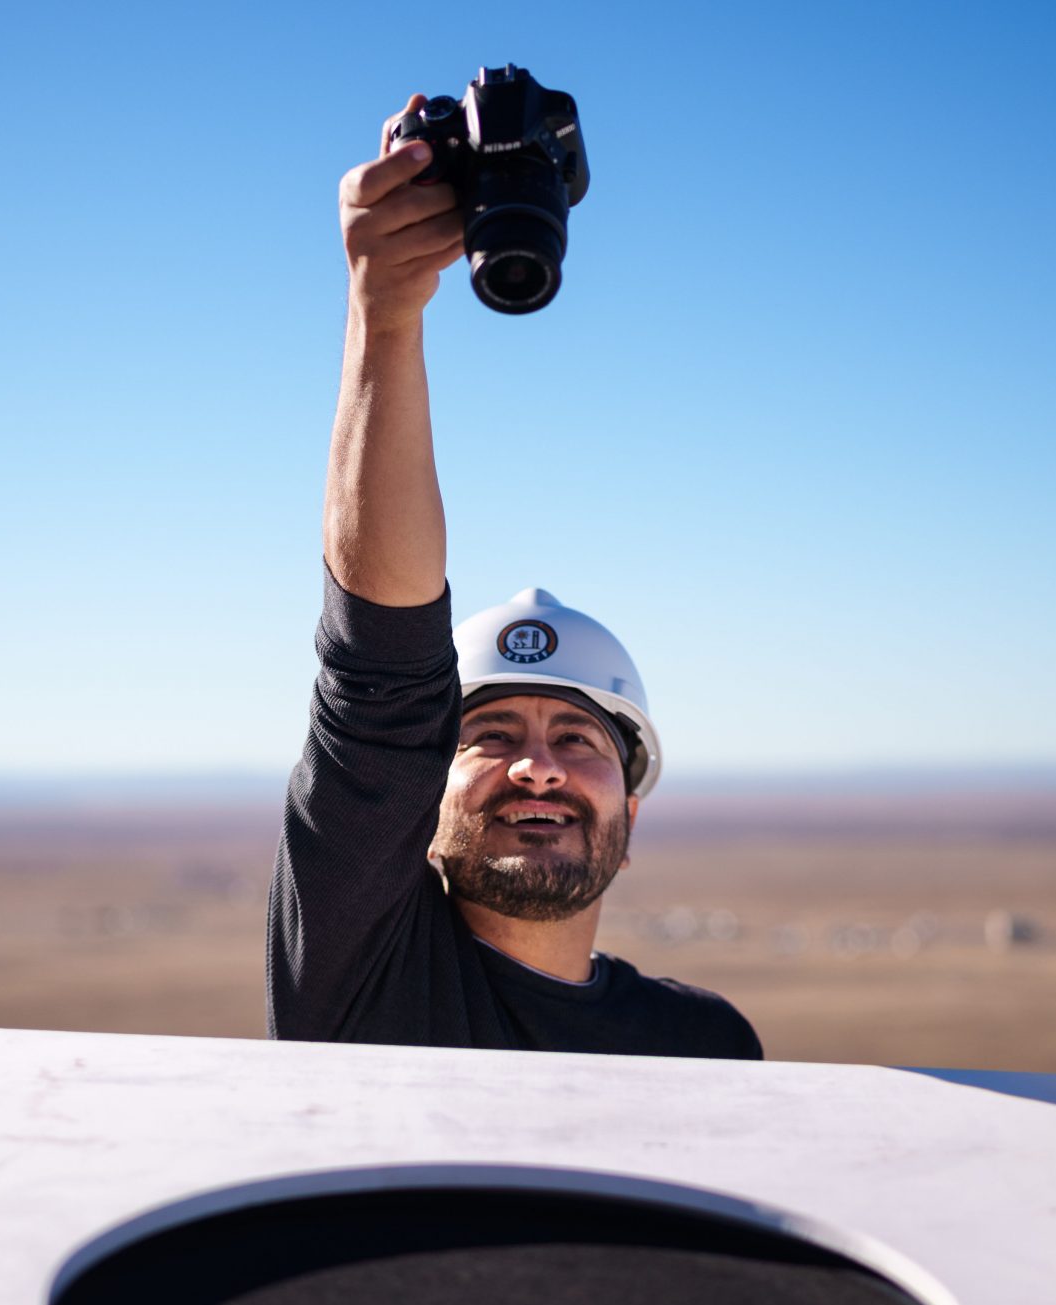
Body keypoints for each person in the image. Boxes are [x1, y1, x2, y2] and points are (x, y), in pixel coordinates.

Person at [265, 98, 761, 1061]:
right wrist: (384, 317)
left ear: (631, 810)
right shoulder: (363, 985)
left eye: (577, 737)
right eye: (489, 734)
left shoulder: (705, 1047)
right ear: (422, 801)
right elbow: (379, 679)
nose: (539, 767)